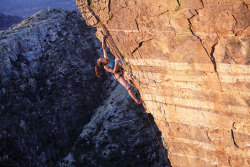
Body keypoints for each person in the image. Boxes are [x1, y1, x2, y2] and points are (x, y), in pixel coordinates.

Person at [95, 33, 141, 104]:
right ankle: (136, 100)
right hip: (118, 75)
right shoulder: (105, 67)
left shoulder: (107, 59)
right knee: (127, 87)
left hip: (122, 70)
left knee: (134, 77)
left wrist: (103, 38)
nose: (103, 58)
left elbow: (104, 48)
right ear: (102, 62)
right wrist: (116, 63)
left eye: (101, 58)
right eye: (102, 59)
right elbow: (113, 71)